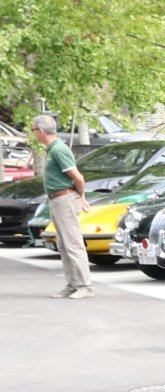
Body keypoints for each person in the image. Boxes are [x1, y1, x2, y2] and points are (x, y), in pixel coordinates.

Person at [33, 115, 93, 298]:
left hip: (65, 199)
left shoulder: (59, 150)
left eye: (34, 130)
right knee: (64, 244)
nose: (34, 133)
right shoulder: (53, 149)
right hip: (58, 201)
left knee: (73, 243)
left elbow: (78, 178)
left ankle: (84, 286)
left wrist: (81, 197)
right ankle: (73, 284)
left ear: (41, 131)